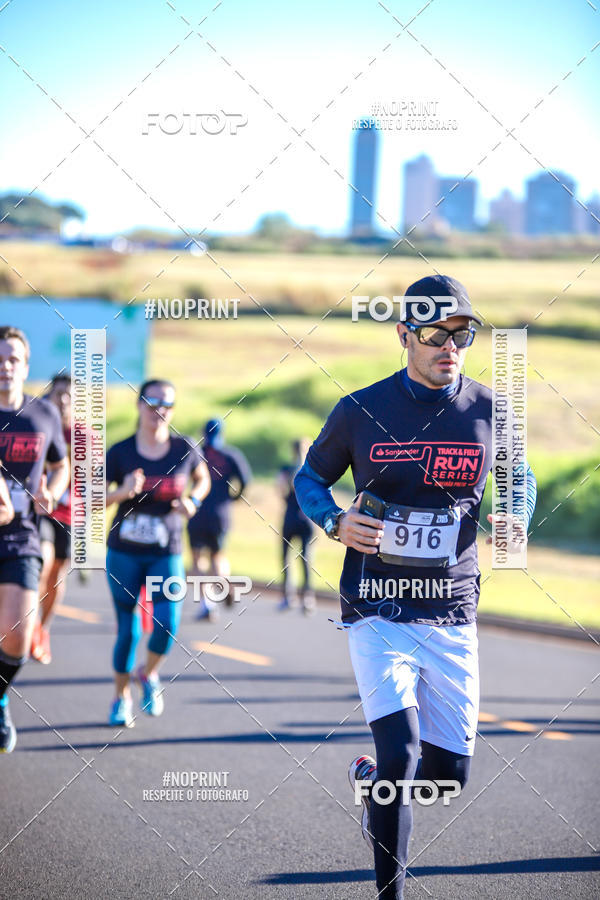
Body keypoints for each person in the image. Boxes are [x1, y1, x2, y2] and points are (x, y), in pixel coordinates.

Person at [294, 275, 537, 899]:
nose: (449, 346)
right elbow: (309, 480)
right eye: (434, 334)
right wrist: (334, 521)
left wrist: (517, 511)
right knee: (400, 762)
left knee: (447, 777)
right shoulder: (360, 409)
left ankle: (370, 779)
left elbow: (521, 479)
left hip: (452, 607)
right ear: (404, 335)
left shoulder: (490, 410)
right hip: (375, 604)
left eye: (462, 333)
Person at [105, 379, 210, 728]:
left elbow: (203, 478)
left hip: (167, 550)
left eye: (166, 404)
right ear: (139, 405)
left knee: (168, 622)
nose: (159, 410)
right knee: (129, 632)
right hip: (124, 552)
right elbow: (90, 498)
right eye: (152, 402)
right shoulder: (120, 452)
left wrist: (193, 500)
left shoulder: (184, 448)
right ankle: (121, 698)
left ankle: (148, 674)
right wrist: (122, 492)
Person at [0, 326, 69, 753]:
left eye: (13, 359)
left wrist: (53, 491)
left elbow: (60, 464)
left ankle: (0, 696)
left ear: (25, 366)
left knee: (17, 637)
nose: (5, 367)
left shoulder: (43, 415)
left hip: (21, 536)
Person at [187, 418, 251, 621]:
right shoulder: (231, 454)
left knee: (198, 559)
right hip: (220, 513)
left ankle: (208, 605)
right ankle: (224, 583)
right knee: (218, 555)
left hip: (197, 511)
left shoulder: (196, 453)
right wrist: (234, 497)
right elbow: (246, 480)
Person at [31, 373, 72, 664]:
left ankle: (43, 629)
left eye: (71, 395)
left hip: (70, 514)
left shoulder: (85, 435)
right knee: (42, 565)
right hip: (41, 509)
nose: (65, 400)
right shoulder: (39, 423)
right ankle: (30, 627)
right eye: (59, 393)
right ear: (50, 395)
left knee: (57, 574)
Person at [277, 438, 316, 613]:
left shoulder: (288, 470)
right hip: (303, 518)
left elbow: (281, 489)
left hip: (293, 517)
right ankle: (304, 598)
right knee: (303, 557)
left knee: (290, 557)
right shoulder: (312, 470)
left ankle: (292, 597)